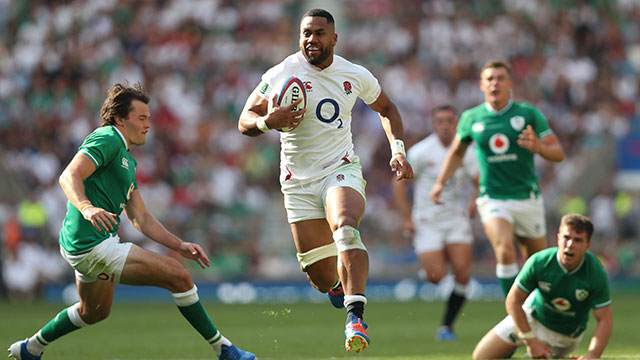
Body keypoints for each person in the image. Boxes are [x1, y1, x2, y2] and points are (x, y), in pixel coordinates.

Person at [8, 83, 255, 360]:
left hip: (85, 244)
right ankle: (224, 350)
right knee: (179, 277)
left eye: (149, 118)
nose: (148, 124)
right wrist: (87, 208)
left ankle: (31, 348)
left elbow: (141, 218)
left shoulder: (127, 159)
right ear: (120, 119)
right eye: (141, 118)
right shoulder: (107, 138)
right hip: (93, 244)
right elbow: (69, 175)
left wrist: (179, 244)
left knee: (94, 312)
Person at [238, 8, 413, 353]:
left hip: (340, 168)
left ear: (334, 38)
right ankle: (336, 285)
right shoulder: (281, 73)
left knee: (346, 226)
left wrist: (398, 150)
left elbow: (388, 109)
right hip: (297, 182)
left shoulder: (354, 74)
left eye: (319, 33)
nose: (311, 40)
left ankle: (355, 317)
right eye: (306, 33)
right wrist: (267, 122)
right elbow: (245, 119)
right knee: (319, 278)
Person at [430, 60, 565, 297]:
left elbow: (558, 153)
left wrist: (539, 148)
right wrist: (440, 183)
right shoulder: (472, 118)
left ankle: (537, 311)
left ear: (510, 84)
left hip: (527, 198)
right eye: (490, 79)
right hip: (493, 198)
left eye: (500, 78)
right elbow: (456, 153)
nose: (495, 83)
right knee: (503, 250)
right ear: (482, 85)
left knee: (537, 265)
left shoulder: (528, 114)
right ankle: (515, 314)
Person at [392, 104, 479, 342]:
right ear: (434, 124)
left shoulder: (466, 150)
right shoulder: (421, 152)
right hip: (427, 220)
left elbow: (481, 181)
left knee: (463, 275)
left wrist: (474, 200)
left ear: (456, 123)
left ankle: (446, 326)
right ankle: (432, 263)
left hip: (456, 218)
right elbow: (399, 183)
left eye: (449, 120)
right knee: (435, 276)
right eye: (440, 120)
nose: (445, 125)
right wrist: (407, 218)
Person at [473, 214, 612, 359]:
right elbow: (513, 301)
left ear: (587, 245)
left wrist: (593, 355)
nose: (570, 244)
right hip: (530, 317)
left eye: (577, 240)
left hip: (563, 336)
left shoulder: (596, 272)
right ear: (558, 238)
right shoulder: (539, 262)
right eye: (566, 238)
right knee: (481, 357)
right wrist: (530, 340)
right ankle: (512, 348)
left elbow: (604, 319)